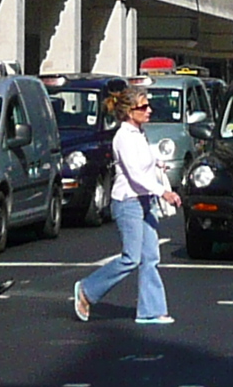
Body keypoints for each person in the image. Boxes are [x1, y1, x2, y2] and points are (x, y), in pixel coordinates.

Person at [73, 81, 174, 324]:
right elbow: (134, 175)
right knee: (131, 258)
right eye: (144, 107)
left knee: (151, 257)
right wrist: (164, 192)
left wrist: (158, 164)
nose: (149, 110)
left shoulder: (138, 133)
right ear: (130, 112)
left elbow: (144, 163)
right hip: (128, 202)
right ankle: (87, 290)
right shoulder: (123, 137)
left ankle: (150, 311)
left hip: (144, 201)